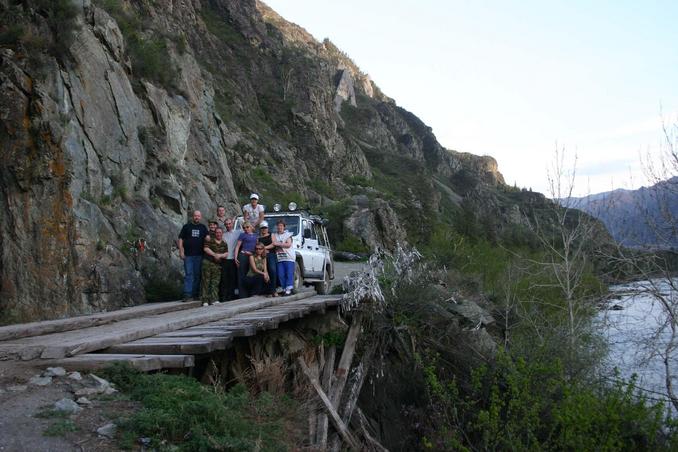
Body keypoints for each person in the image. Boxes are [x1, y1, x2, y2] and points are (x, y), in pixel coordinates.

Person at [178, 210, 209, 300]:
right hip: (188, 255)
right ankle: (187, 294)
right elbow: (180, 239)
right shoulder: (186, 227)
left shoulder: (203, 227)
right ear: (193, 216)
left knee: (197, 275)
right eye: (195, 216)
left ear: (201, 217)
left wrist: (209, 237)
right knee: (188, 274)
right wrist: (181, 251)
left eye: (198, 216)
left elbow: (207, 237)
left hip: (199, 255)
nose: (197, 217)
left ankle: (195, 294)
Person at [200, 226, 228, 306]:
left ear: (222, 234)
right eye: (217, 232)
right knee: (206, 282)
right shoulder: (210, 240)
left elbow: (226, 254)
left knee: (215, 282)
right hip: (208, 263)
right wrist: (214, 254)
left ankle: (214, 299)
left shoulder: (224, 243)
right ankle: (205, 300)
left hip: (217, 265)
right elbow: (205, 248)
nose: (218, 234)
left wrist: (220, 256)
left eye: (220, 232)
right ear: (215, 233)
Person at [234, 221, 258, 298]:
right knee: (242, 274)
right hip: (243, 255)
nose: (246, 229)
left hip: (252, 255)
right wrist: (235, 257)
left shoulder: (256, 235)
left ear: (251, 227)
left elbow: (257, 247)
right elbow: (237, 246)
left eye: (247, 227)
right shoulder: (242, 235)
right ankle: (242, 295)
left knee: (252, 274)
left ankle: (252, 293)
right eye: (244, 228)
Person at [272, 219, 295, 296]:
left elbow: (288, 244)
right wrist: (282, 243)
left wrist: (277, 244)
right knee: (281, 274)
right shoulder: (274, 235)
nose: (279, 227)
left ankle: (289, 288)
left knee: (289, 273)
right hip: (279, 257)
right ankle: (284, 288)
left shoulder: (288, 234)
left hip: (288, 257)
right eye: (278, 225)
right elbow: (273, 243)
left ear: (284, 227)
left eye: (281, 225)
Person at [220, 217, 240, 301]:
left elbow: (249, 230)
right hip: (225, 259)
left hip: (233, 259)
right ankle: (224, 297)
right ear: (225, 225)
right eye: (226, 224)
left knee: (232, 279)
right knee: (224, 279)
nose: (228, 225)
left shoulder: (238, 232)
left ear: (232, 224)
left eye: (229, 224)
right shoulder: (223, 235)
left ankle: (231, 297)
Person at [258, 221, 278, 297]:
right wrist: (262, 250)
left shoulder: (271, 235)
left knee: (272, 270)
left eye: (265, 228)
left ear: (267, 228)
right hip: (262, 256)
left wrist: (264, 248)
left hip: (271, 254)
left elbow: (273, 244)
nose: (264, 229)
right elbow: (257, 246)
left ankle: (273, 289)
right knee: (263, 272)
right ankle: (267, 291)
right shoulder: (259, 237)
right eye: (262, 228)